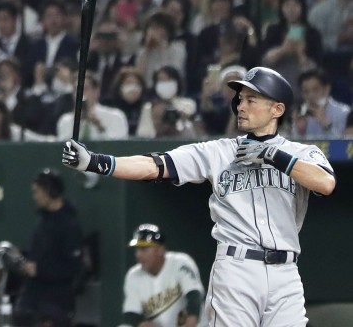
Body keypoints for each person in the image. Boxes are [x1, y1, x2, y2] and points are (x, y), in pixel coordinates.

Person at [63, 66, 336, 325]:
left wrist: (272, 155)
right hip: (237, 268)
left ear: (277, 109)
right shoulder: (218, 151)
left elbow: (325, 183)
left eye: (252, 100)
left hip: (285, 273)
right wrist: (95, 162)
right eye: (240, 99)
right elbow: (154, 165)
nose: (240, 106)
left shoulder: (303, 153)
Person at [12, 169, 83, 327]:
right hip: (33, 298)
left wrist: (39, 270)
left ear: (50, 191)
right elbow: (39, 255)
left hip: (56, 300)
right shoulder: (43, 221)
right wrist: (21, 257)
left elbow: (72, 268)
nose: (35, 197)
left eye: (37, 192)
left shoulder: (70, 225)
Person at [120, 224, 203, 327]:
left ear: (160, 250)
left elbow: (194, 296)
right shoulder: (133, 275)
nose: (138, 255)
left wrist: (191, 323)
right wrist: (144, 324)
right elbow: (131, 313)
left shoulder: (180, 263)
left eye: (144, 249)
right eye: (137, 249)